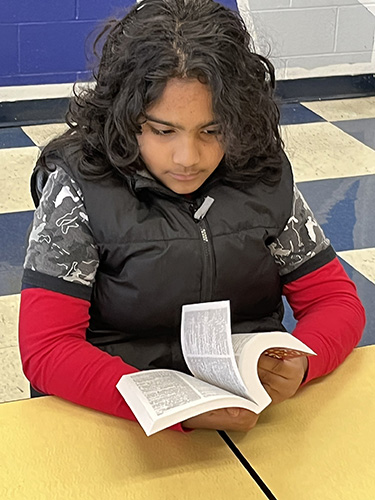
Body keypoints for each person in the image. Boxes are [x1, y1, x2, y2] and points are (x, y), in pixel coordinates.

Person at [19, 0, 365, 433]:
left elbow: (335, 301)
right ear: (125, 117)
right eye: (163, 131)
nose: (188, 158)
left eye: (212, 130)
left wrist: (303, 360)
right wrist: (169, 407)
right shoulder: (79, 186)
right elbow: (47, 347)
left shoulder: (263, 173)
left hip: (252, 415)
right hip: (116, 416)